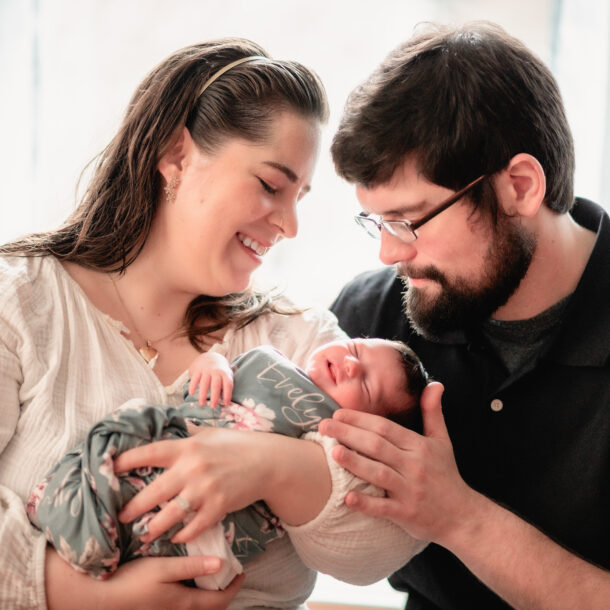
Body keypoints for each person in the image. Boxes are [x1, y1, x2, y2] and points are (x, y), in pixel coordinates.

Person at [0, 39, 417, 610]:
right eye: (272, 185)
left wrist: (265, 467)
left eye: (300, 197)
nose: (291, 225)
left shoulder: (296, 340)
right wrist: (74, 592)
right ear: (176, 156)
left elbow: (380, 544)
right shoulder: (20, 302)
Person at [322, 21, 610, 610]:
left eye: (410, 220)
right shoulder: (372, 318)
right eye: (377, 222)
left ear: (520, 187)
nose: (390, 253)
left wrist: (459, 519)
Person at [28, 338, 428, 590]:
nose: (351, 364)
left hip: (218, 519)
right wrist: (212, 363)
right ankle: (79, 512)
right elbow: (205, 383)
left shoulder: (331, 436)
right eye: (356, 348)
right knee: (127, 442)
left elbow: (362, 502)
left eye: (366, 386)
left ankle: (97, 539)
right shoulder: (267, 360)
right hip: (177, 437)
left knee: (183, 541)